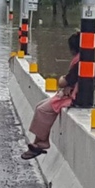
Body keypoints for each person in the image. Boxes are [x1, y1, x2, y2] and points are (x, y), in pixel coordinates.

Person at [22, 32, 81, 160]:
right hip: (70, 93)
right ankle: (39, 141)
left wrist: (62, 81)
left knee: (43, 110)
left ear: (73, 48)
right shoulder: (82, 60)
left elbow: (65, 81)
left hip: (73, 97)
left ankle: (41, 143)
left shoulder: (79, 63)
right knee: (39, 106)